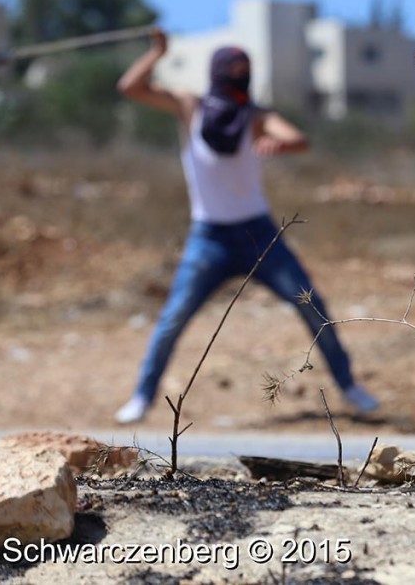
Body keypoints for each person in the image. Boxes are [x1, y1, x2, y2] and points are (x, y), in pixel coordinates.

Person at [113, 28, 379, 424]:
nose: (240, 76)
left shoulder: (255, 116)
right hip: (209, 237)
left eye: (245, 69)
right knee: (173, 318)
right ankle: (142, 396)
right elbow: (131, 87)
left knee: (312, 305)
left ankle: (350, 387)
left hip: (259, 234)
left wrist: (280, 145)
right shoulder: (191, 106)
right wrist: (159, 53)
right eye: (233, 69)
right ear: (218, 72)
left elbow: (297, 138)